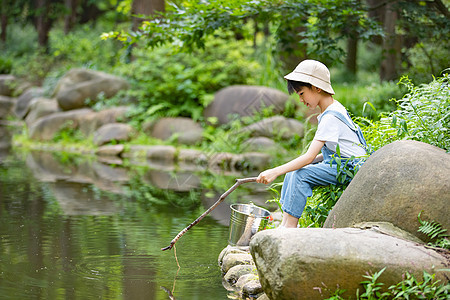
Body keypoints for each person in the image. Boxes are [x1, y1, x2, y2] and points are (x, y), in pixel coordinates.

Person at [256, 59, 368, 228]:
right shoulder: (334, 108)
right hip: (342, 164)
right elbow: (335, 152)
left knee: (300, 175)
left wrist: (274, 171)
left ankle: (289, 227)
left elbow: (308, 157)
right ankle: (285, 223)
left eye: (301, 93)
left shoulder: (330, 117)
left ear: (316, 88)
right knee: (292, 172)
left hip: (351, 169)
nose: (301, 100)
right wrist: (291, 167)